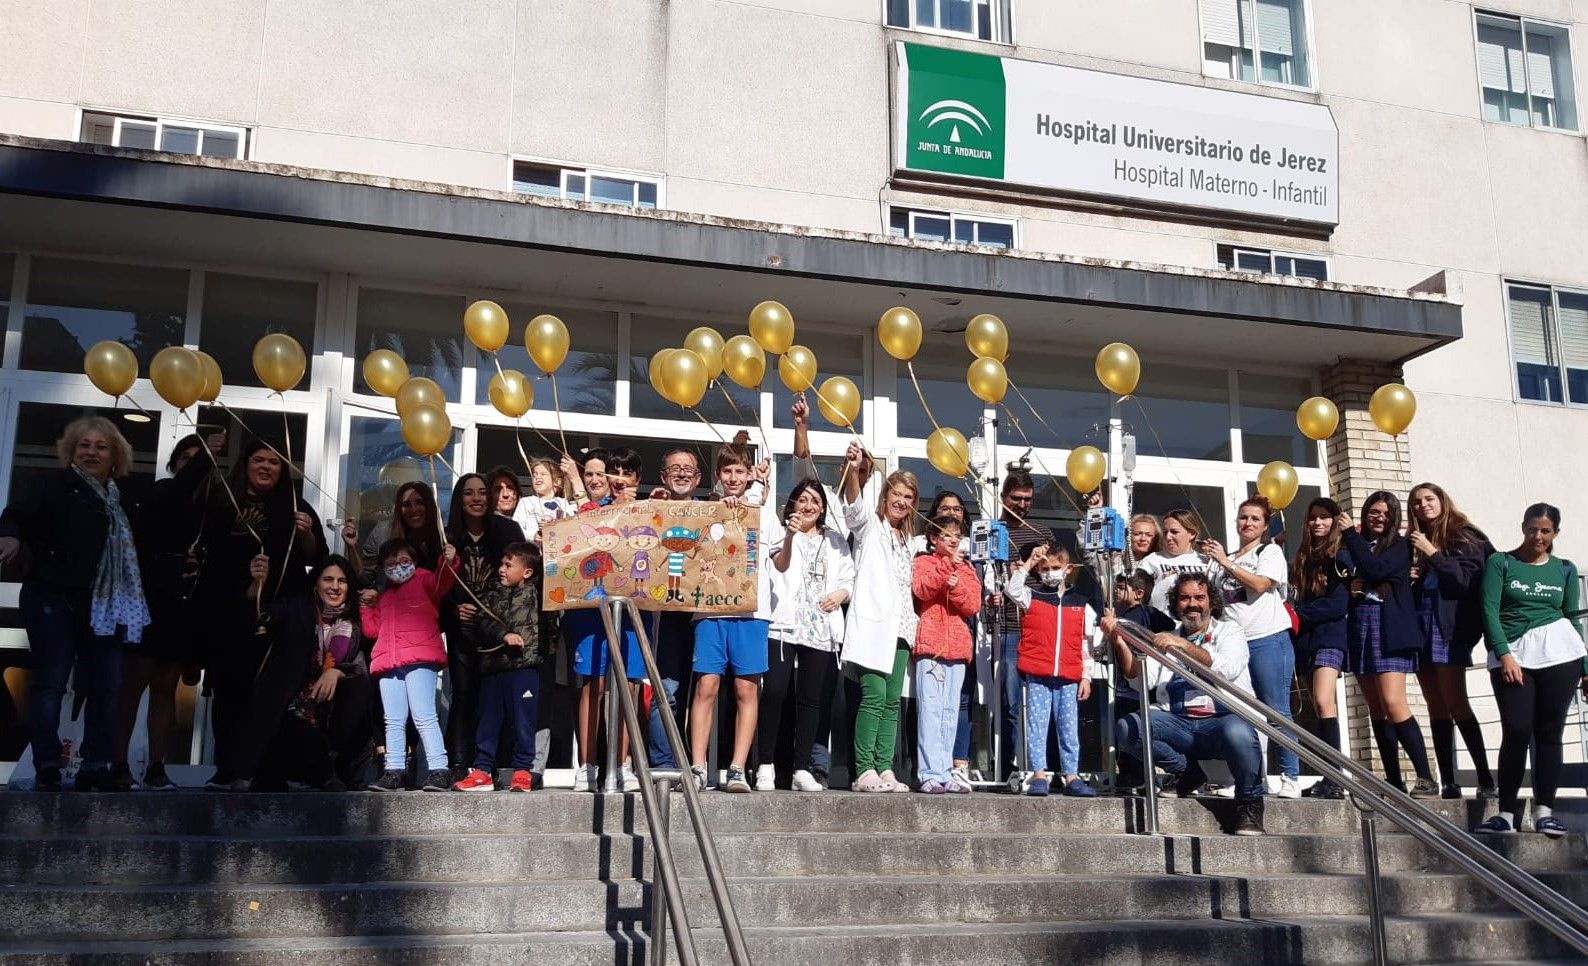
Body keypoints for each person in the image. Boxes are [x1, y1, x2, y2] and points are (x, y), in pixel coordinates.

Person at [0, 417, 149, 792]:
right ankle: (48, 762)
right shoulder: (51, 486)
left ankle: (95, 765)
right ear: (71, 451)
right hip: (53, 596)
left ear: (116, 454)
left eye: (101, 446)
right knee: (50, 683)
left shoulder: (124, 497)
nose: (92, 452)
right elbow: (16, 516)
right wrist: (10, 537)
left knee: (107, 684)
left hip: (106, 605)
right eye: (84, 445)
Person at [176, 437, 327, 790]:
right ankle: (228, 768)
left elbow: (315, 557)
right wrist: (246, 588)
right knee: (231, 690)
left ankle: (269, 772)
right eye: (259, 460)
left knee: (274, 695)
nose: (266, 467)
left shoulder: (295, 505)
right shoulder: (222, 502)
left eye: (274, 462)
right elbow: (209, 559)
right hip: (231, 613)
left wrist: (305, 535)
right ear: (245, 464)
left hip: (283, 612)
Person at [1105, 573, 1266, 836]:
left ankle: (1249, 803)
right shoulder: (1166, 636)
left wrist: (1183, 646)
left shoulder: (1229, 631)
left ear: (1211, 602)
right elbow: (1140, 679)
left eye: (1199, 597)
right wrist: (1118, 640)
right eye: (1185, 598)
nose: (1192, 604)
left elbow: (1228, 668)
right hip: (1181, 724)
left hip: (1222, 722)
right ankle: (1187, 772)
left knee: (1239, 732)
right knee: (1128, 729)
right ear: (1176, 604)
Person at [111, 431, 223, 790]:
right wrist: (206, 454)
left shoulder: (213, 506)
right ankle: (117, 763)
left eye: (199, 458)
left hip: (185, 605)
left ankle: (157, 767)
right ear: (173, 464)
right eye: (186, 459)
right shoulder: (160, 492)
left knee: (165, 687)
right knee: (133, 684)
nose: (194, 464)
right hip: (149, 599)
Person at [1475, 503, 1587, 837]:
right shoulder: (1501, 563)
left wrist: (1584, 667)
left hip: (1560, 654)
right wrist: (1504, 653)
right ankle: (1506, 813)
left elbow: (1572, 619)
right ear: (1523, 527)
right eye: (1532, 529)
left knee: (1550, 733)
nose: (1537, 536)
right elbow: (1489, 610)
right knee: (1517, 729)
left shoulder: (1565, 570)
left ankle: (1545, 812)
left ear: (1555, 533)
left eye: (1545, 531)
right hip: (1514, 655)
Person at [224, 549, 375, 791]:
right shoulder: (297, 609)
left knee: (358, 686)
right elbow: (260, 616)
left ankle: (334, 768)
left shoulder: (355, 621)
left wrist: (335, 672)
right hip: (292, 709)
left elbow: (360, 667)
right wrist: (256, 584)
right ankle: (317, 772)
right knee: (294, 712)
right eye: (328, 580)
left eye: (342, 581)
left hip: (334, 715)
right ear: (315, 585)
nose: (335, 587)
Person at [687, 446, 774, 793]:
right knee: (706, 686)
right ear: (718, 476)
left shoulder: (764, 512)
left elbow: (779, 561)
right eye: (727, 473)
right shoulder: (705, 510)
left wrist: (762, 504)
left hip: (752, 612)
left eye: (739, 472)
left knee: (745, 689)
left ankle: (737, 767)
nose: (733, 479)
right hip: (710, 610)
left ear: (749, 474)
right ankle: (697, 766)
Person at [1341, 491, 1437, 797]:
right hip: (1361, 625)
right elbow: (1353, 571)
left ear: (1393, 517)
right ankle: (1393, 780)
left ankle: (1425, 776)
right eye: (1373, 512)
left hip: (1388, 627)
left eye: (1385, 513)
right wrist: (1351, 583)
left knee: (1394, 702)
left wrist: (1349, 536)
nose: (1379, 518)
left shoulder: (1398, 544)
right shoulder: (1354, 545)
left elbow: (1376, 570)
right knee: (1376, 708)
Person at [761, 478, 854, 792]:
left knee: (811, 700)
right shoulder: (781, 531)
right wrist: (790, 535)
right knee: (774, 692)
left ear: (824, 508)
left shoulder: (836, 541)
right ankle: (766, 764)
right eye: (803, 499)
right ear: (793, 504)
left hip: (821, 627)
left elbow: (848, 579)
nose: (809, 505)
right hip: (785, 626)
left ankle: (802, 768)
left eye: (815, 500)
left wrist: (840, 594)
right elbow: (781, 567)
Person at [1204, 496, 1300, 798]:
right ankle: (1247, 777)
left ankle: (1290, 777)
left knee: (1276, 710)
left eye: (1255, 519)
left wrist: (1224, 562)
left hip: (1267, 639)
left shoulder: (1269, 551)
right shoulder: (1226, 557)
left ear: (1264, 525)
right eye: (1243, 517)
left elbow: (1260, 584)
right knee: (1238, 714)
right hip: (1235, 646)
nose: (1247, 523)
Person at [1407, 482, 1498, 800]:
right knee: (1435, 707)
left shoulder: (1463, 534)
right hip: (1422, 628)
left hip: (1450, 630)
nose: (1423, 506)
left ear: (1443, 501)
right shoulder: (1418, 541)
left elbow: (1464, 581)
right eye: (1416, 502)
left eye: (1429, 499)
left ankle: (1486, 780)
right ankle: (1449, 781)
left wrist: (1433, 554)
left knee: (1456, 703)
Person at [563, 447, 646, 792]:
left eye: (627, 473)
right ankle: (587, 765)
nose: (619, 479)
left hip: (631, 612)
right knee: (593, 686)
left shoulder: (648, 512)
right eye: (614, 472)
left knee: (628, 685)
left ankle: (623, 763)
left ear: (636, 479)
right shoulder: (588, 511)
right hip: (591, 610)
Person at [839, 441, 920, 793]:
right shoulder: (871, 528)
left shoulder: (908, 540)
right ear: (885, 497)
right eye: (896, 494)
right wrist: (856, 470)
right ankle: (863, 770)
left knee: (891, 701)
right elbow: (853, 507)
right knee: (873, 696)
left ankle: (885, 767)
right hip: (874, 628)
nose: (901, 501)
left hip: (901, 628)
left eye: (908, 497)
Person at [443, 472, 527, 780]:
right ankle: (457, 763)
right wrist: (453, 608)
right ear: (459, 499)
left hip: (497, 627)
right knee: (464, 694)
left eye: (481, 492)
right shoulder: (447, 535)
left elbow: (522, 578)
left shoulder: (507, 529)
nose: (476, 498)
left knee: (496, 698)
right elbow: (432, 586)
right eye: (468, 493)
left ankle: (489, 765)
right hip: (462, 627)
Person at [362, 538, 458, 791]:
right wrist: (365, 607)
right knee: (392, 719)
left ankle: (439, 769)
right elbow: (372, 630)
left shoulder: (425, 580)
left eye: (404, 561)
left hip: (420, 659)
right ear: (383, 567)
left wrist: (448, 561)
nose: (398, 566)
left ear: (415, 561)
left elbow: (443, 580)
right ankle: (394, 771)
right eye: (391, 563)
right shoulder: (384, 596)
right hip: (388, 662)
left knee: (424, 715)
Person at [452, 542, 545, 793]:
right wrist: (504, 634)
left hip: (525, 668)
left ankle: (523, 770)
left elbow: (551, 577)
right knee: (488, 720)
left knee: (524, 721)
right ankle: (482, 771)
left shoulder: (537, 593)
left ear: (527, 573)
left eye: (508, 565)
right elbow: (484, 622)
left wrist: (547, 550)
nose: (501, 570)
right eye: (501, 564)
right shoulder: (492, 595)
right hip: (493, 668)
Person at [1007, 543, 1098, 798]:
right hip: (1038, 674)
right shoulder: (1033, 597)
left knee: (1068, 727)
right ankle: (1039, 774)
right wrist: (1029, 563)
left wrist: (1086, 677)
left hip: (1069, 677)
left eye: (1055, 568)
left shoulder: (1080, 603)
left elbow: (1086, 644)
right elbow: (1012, 589)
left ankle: (1071, 775)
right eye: (1045, 569)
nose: (1049, 573)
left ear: (1068, 569)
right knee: (1037, 725)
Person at [989, 468, 1056, 779]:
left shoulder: (1043, 533)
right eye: (1016, 499)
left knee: (1043, 702)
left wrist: (1030, 568)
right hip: (1007, 628)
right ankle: (1008, 766)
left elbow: (1054, 577)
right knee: (1010, 702)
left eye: (1028, 499)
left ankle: (1042, 766)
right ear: (1003, 498)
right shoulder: (993, 531)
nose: (1022, 505)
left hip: (1038, 626)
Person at [645, 446, 705, 772]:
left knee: (705, 693)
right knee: (665, 692)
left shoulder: (713, 514)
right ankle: (664, 764)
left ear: (697, 478)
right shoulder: (653, 510)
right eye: (675, 468)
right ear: (664, 476)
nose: (681, 473)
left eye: (688, 469)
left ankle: (700, 766)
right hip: (666, 616)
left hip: (706, 615)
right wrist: (653, 509)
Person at [911, 514, 980, 794]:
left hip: (958, 649)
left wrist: (957, 584)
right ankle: (928, 772)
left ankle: (945, 771)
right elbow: (921, 589)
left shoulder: (967, 569)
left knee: (951, 712)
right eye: (946, 536)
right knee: (930, 711)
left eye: (956, 536)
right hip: (931, 646)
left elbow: (973, 605)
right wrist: (944, 570)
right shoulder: (923, 562)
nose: (952, 541)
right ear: (933, 539)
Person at [1290, 497, 1354, 800]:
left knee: (1323, 700)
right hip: (1307, 640)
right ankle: (1329, 776)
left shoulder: (1340, 555)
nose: (1318, 523)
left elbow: (1339, 603)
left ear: (1335, 521)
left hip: (1330, 635)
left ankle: (1336, 777)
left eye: (1325, 518)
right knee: (1318, 707)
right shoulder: (1304, 556)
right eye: (1313, 518)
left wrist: (1298, 615)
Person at [1108, 570, 1172, 794]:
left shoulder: (1133, 617)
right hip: (1137, 685)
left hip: (1133, 685)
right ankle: (1141, 777)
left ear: (1139, 593)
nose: (1116, 591)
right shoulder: (1147, 614)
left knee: (1132, 732)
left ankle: (1135, 778)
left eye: (1122, 588)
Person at [360, 482, 442, 582]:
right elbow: (364, 578)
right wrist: (351, 547)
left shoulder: (443, 538)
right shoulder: (383, 532)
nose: (414, 509)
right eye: (406, 504)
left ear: (429, 505)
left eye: (420, 502)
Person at [1137, 509, 1210, 618]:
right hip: (1163, 627)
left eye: (1174, 532)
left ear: (1192, 534)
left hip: (1197, 627)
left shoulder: (1206, 561)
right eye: (1165, 532)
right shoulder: (1152, 560)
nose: (1168, 537)